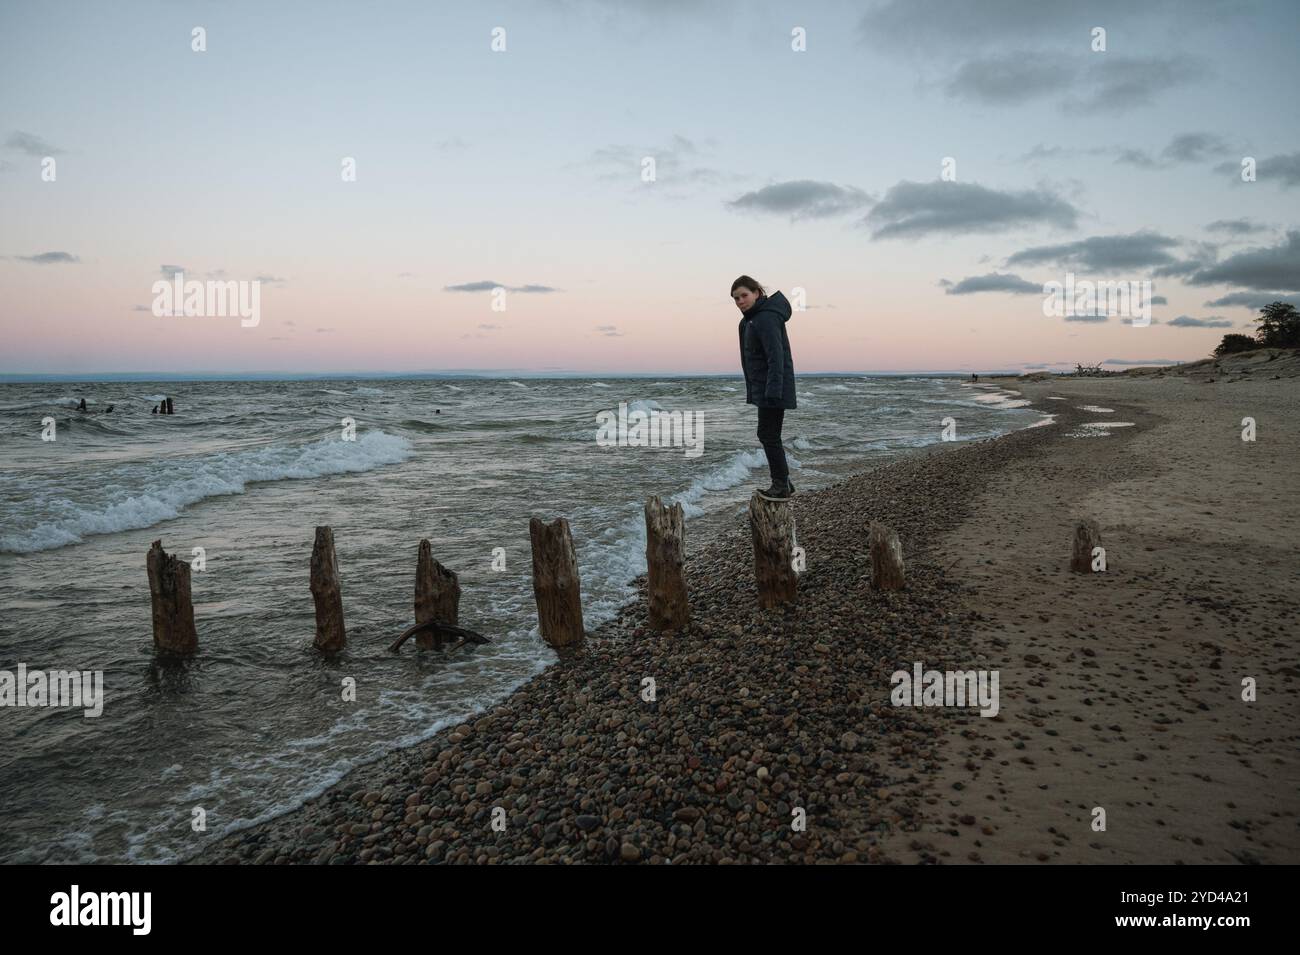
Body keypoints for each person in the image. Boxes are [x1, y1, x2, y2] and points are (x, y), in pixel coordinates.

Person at [732, 275, 796, 500]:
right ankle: (784, 481)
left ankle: (781, 485)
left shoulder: (766, 318)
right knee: (769, 434)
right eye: (736, 298)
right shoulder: (751, 320)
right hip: (767, 388)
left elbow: (775, 357)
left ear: (757, 293)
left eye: (744, 295)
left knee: (768, 435)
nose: (740, 301)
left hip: (772, 389)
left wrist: (772, 391)